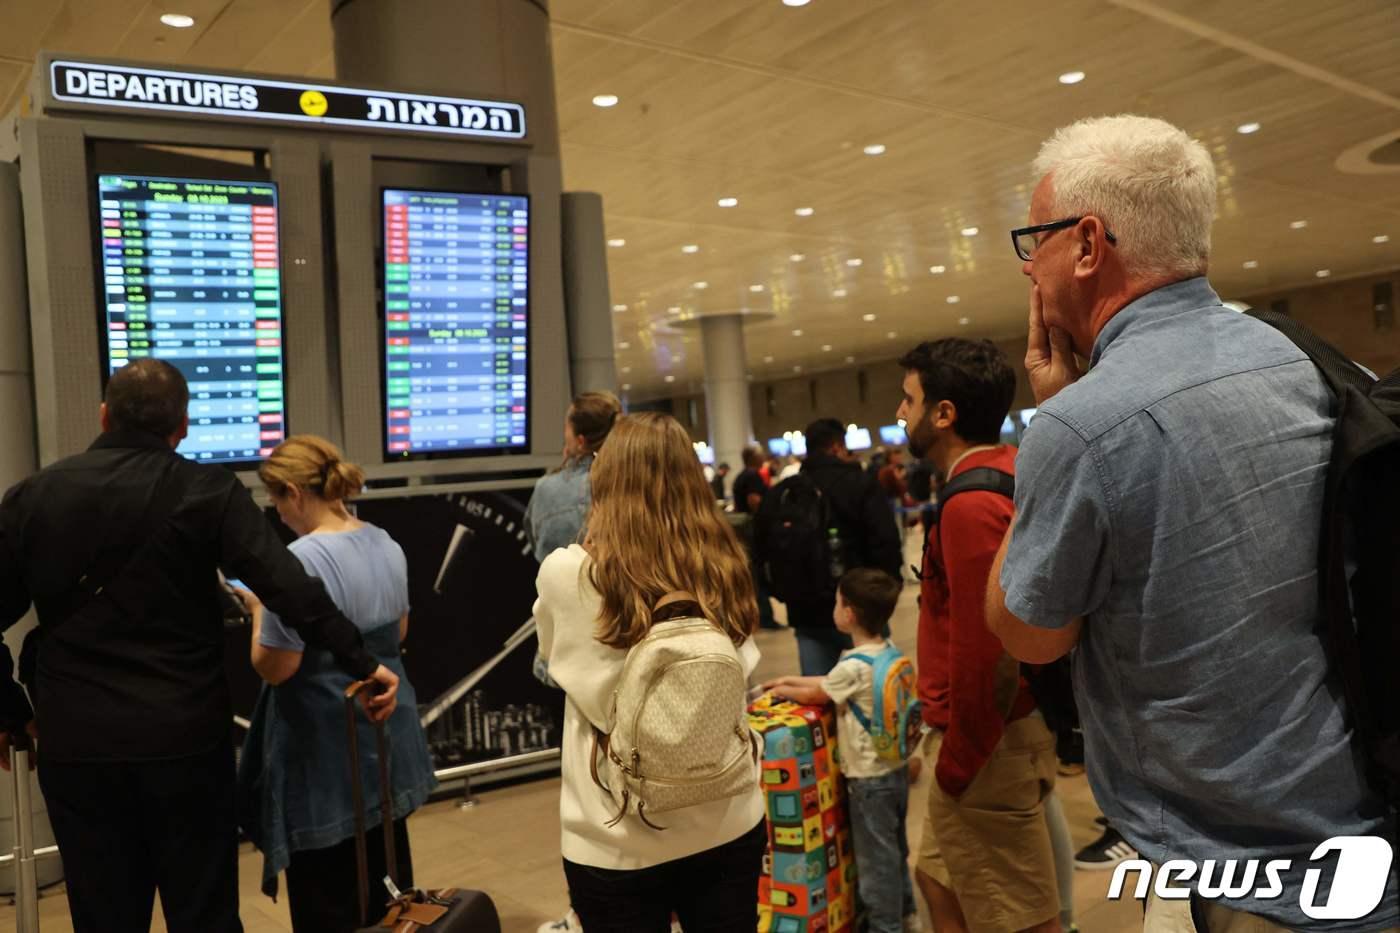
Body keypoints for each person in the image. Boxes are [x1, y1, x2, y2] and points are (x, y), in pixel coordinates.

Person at [984, 114, 1400, 932]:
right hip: (1360, 816)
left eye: (1036, 239)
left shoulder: (1084, 425)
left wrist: (1056, 417)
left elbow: (1028, 631)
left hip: (1232, 865)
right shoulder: (1318, 361)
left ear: (1090, 243)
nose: (1030, 265)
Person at [0, 359, 399, 933]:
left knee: (103, 913)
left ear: (104, 415)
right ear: (182, 426)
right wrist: (363, 662)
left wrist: (14, 714)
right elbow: (288, 588)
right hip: (184, 741)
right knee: (204, 911)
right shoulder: (207, 491)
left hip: (77, 743)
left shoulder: (31, 497)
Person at [534, 412, 766, 933]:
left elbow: (555, 660)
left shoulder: (568, 572)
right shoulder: (723, 566)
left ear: (604, 477)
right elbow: (742, 667)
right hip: (728, 815)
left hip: (614, 833)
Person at [237, 435, 436, 933]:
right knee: (390, 890)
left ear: (293, 492)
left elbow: (276, 667)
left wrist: (260, 610)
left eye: (275, 500)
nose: (276, 514)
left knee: (329, 897)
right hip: (384, 743)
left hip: (326, 753)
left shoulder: (299, 563)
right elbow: (398, 635)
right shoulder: (385, 542)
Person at [895, 339, 1060, 933]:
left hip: (986, 743)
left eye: (909, 400)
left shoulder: (969, 506)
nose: (899, 413)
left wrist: (961, 759)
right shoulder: (1009, 470)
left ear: (944, 414)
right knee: (938, 879)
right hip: (989, 734)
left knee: (1016, 915)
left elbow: (989, 651)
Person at [763, 568, 920, 933]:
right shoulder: (885, 653)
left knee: (874, 863)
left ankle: (885, 927)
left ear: (848, 614)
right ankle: (907, 914)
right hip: (894, 771)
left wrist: (784, 691)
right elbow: (829, 682)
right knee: (895, 851)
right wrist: (788, 679)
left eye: (837, 602)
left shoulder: (852, 664)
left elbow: (819, 693)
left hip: (868, 783)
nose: (834, 608)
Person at [757, 417, 902, 675]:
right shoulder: (861, 484)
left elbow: (760, 550)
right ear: (836, 447)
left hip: (806, 612)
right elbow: (886, 544)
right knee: (870, 694)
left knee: (819, 696)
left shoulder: (785, 493)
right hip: (862, 607)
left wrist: (780, 593)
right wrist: (888, 589)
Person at [525, 391, 622, 562]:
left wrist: (565, 469)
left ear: (581, 441)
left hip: (565, 586)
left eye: (566, 428)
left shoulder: (547, 489)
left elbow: (538, 546)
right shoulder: (635, 481)